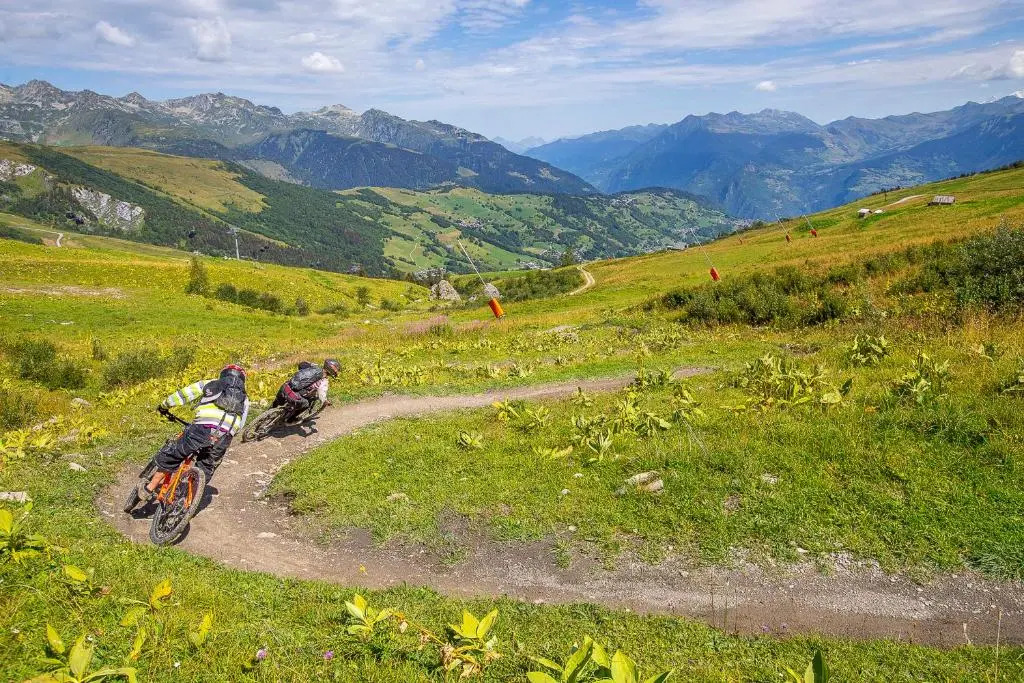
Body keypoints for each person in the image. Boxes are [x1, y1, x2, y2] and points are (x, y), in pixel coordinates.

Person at [138, 364, 250, 501]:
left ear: (223, 374)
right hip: (225, 434)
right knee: (206, 467)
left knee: (174, 454)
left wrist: (164, 405)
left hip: (203, 426)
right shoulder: (245, 398)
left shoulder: (210, 383)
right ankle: (187, 499)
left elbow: (184, 394)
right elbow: (241, 424)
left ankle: (149, 489)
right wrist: (228, 433)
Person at [272, 358, 339, 423]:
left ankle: (271, 410)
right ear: (332, 372)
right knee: (306, 404)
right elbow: (322, 393)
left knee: (278, 401)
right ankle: (290, 420)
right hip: (293, 396)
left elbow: (301, 365)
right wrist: (324, 401)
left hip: (285, 386)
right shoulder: (324, 381)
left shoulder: (314, 367)